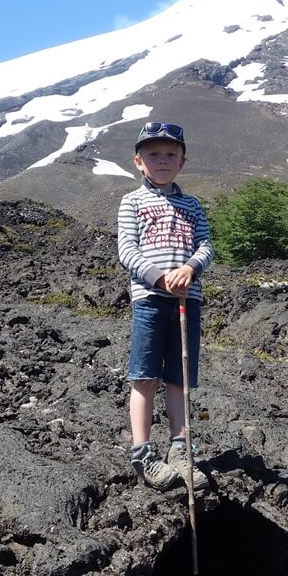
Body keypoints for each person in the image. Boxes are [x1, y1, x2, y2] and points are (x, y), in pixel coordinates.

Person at [117, 121, 213, 490]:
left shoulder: (192, 204)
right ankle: (142, 453)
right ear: (139, 162)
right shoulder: (132, 202)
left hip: (188, 300)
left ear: (182, 163)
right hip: (150, 300)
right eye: (153, 154)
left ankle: (180, 449)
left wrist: (189, 268)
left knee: (180, 377)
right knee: (145, 376)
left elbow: (206, 246)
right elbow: (127, 250)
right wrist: (160, 278)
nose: (162, 160)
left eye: (170, 155)